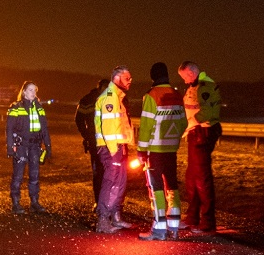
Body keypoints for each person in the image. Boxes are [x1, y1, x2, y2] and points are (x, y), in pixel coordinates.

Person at [137, 62, 187, 241]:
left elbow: (146, 127)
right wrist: (172, 140)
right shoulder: (176, 95)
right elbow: (183, 123)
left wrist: (142, 150)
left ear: (153, 77)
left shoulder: (151, 96)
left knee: (156, 188)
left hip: (154, 150)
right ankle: (174, 228)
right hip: (171, 150)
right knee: (172, 186)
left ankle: (159, 229)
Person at [177, 61, 222, 234]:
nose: (184, 81)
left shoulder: (205, 87)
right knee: (192, 177)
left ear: (192, 72)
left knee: (202, 179)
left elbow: (207, 113)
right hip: (195, 133)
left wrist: (187, 125)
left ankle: (208, 222)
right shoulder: (194, 87)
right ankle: (192, 217)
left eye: (185, 77)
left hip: (202, 134)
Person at [94, 66, 135, 234]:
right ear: (117, 79)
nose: (130, 81)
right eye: (127, 78)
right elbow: (109, 127)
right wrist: (113, 150)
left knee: (120, 182)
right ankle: (103, 220)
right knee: (111, 182)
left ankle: (116, 216)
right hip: (111, 147)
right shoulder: (110, 98)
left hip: (119, 146)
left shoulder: (119, 98)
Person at [6, 81, 51, 214]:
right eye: (30, 90)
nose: (33, 93)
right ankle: (15, 202)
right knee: (18, 175)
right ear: (24, 92)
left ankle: (34, 202)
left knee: (34, 175)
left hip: (35, 146)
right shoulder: (16, 107)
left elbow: (44, 129)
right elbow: (9, 129)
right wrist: (10, 146)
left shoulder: (39, 108)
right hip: (21, 145)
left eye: (35, 90)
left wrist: (48, 145)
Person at [75, 78, 109, 209]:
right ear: (100, 88)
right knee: (98, 173)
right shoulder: (87, 100)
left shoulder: (112, 99)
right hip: (95, 143)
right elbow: (79, 119)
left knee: (109, 174)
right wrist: (87, 135)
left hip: (110, 142)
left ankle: (108, 202)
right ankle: (99, 201)